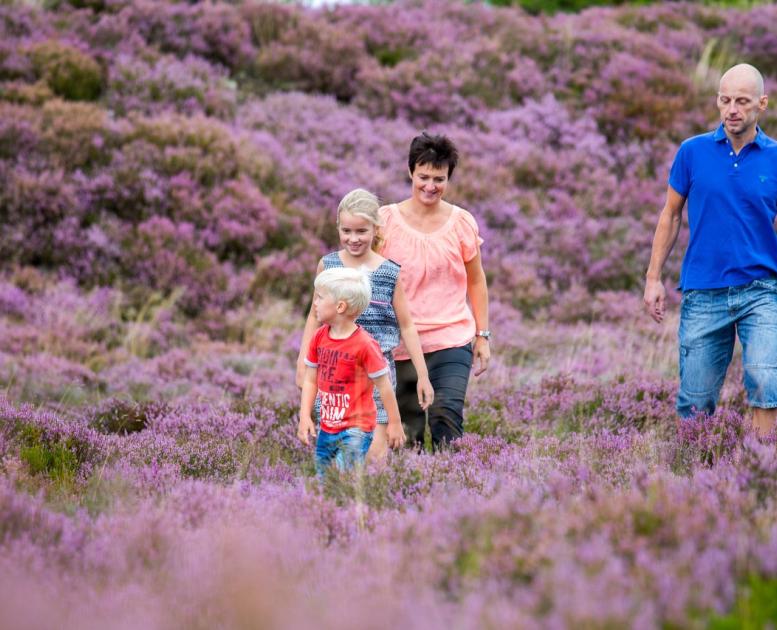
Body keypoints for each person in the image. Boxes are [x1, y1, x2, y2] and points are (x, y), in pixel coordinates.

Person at [643, 63, 777, 437]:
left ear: (761, 104)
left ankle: (760, 474)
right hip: (704, 291)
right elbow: (670, 215)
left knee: (767, 383)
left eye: (742, 101)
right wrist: (653, 278)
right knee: (695, 400)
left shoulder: (775, 158)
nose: (732, 109)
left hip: (762, 290)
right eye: (725, 100)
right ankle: (696, 479)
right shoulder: (692, 152)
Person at [296, 189, 433, 461]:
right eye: (346, 231)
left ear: (375, 229)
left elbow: (406, 326)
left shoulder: (388, 272)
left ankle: (370, 501)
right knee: (338, 456)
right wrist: (302, 362)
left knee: (373, 456)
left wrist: (423, 375)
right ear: (338, 228)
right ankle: (341, 501)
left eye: (361, 231)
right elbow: (314, 316)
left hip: (376, 376)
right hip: (333, 375)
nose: (353, 238)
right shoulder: (329, 265)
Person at [379, 132, 490, 449]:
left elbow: (477, 280)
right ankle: (408, 492)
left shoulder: (461, 223)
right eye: (423, 176)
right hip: (397, 344)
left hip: (451, 339)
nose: (430, 186)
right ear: (410, 172)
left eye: (439, 179)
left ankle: (453, 488)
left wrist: (482, 335)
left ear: (448, 179)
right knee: (406, 433)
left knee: (446, 416)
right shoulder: (384, 221)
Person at [297, 267, 405, 475]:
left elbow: (385, 386)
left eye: (320, 297)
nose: (315, 303)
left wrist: (395, 422)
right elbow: (310, 380)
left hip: (357, 428)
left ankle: (352, 506)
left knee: (342, 475)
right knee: (324, 479)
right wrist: (304, 416)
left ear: (340, 306)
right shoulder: (319, 337)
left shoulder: (365, 345)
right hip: (327, 426)